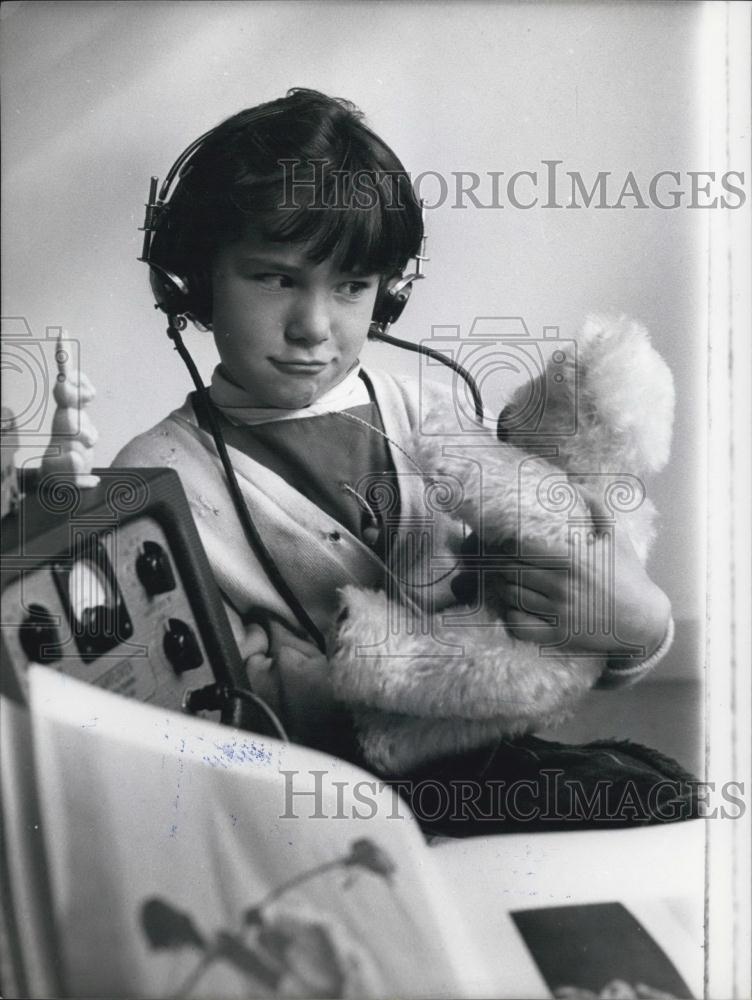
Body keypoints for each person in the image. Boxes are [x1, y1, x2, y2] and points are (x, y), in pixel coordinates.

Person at [52, 89, 684, 828]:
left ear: (388, 295)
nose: (313, 326)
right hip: (290, 807)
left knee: (659, 793)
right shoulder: (154, 483)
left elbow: (548, 613)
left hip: (481, 774)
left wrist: (637, 625)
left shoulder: (433, 419)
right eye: (276, 278)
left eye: (351, 287)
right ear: (193, 278)